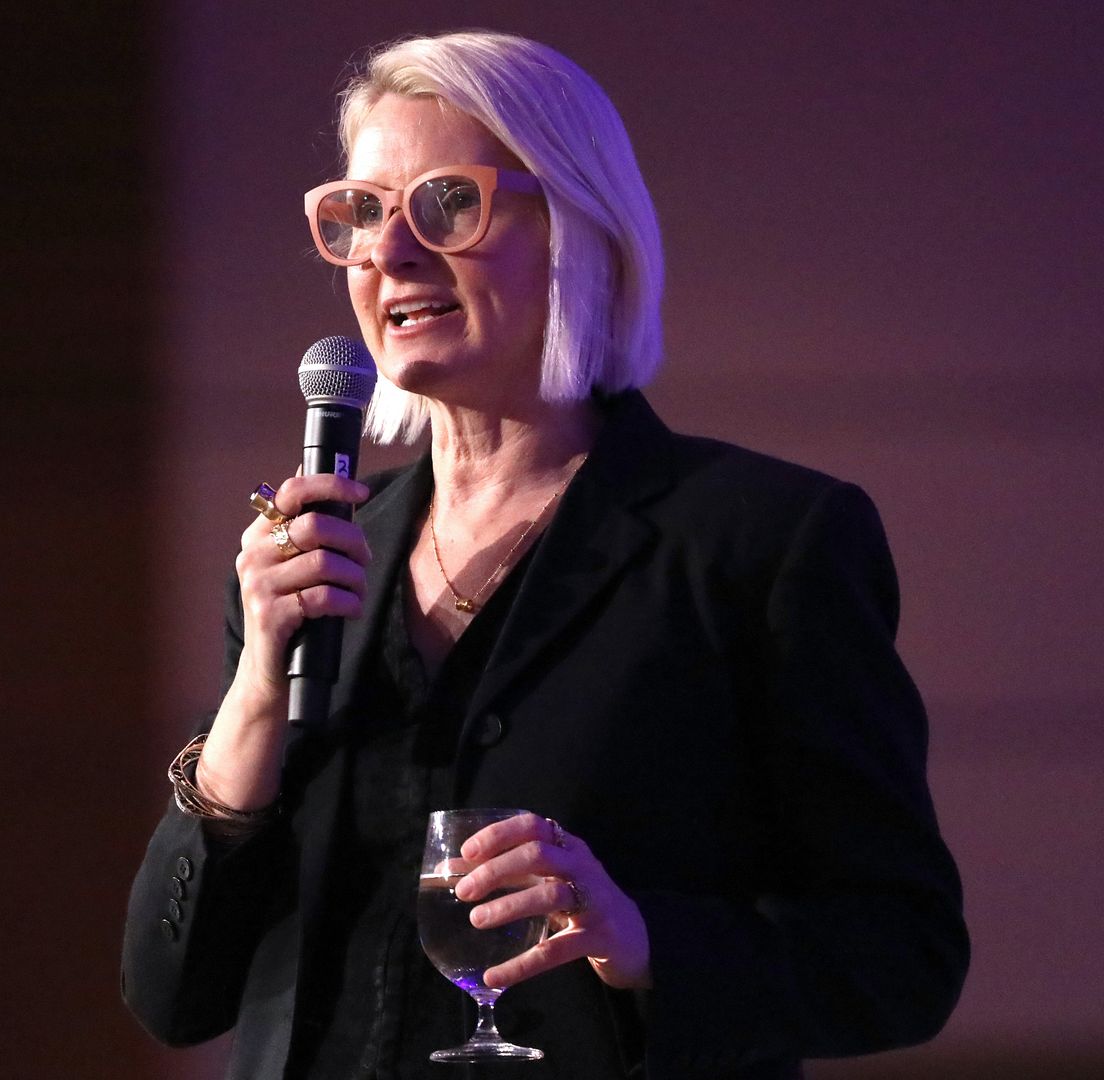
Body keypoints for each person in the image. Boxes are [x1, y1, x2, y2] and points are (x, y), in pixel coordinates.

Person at [121, 30, 968, 1080]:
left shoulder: (759, 542)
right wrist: (252, 698)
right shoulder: (312, 558)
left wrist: (639, 938)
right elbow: (173, 998)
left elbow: (902, 955)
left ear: (578, 227)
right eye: (361, 213)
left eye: (445, 205)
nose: (389, 253)